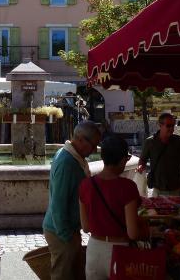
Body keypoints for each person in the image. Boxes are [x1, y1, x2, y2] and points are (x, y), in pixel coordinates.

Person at [79, 135, 148, 280]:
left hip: (94, 250)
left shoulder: (85, 185)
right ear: (123, 159)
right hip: (119, 250)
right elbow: (133, 233)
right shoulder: (127, 187)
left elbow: (85, 227)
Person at [43, 120, 101, 280]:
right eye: (93, 144)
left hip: (66, 229)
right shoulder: (67, 162)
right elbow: (58, 204)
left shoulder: (71, 156)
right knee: (62, 275)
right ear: (81, 139)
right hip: (61, 232)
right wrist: (68, 236)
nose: (95, 149)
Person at [137, 113, 180, 196]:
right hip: (158, 189)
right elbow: (142, 159)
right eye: (168, 125)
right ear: (160, 125)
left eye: (173, 125)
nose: (171, 128)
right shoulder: (150, 142)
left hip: (178, 188)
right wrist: (141, 166)